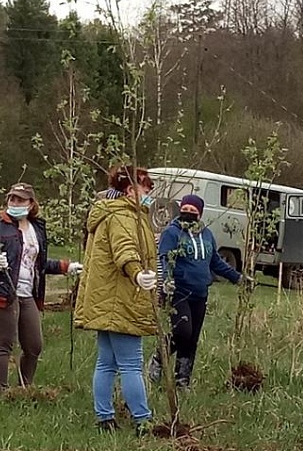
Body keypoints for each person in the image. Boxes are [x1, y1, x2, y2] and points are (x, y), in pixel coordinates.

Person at [73, 166, 158, 436]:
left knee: (106, 362)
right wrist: (138, 274)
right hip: (120, 300)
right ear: (131, 191)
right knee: (131, 363)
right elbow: (125, 250)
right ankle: (143, 420)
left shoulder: (111, 213)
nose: (150, 192)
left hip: (105, 299)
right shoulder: (123, 216)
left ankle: (105, 418)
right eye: (146, 187)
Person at [0, 182, 82, 390]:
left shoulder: (36, 228)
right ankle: (1, 393)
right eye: (11, 199)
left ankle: (25, 388)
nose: (14, 203)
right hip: (2, 293)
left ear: (31, 204)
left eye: (20, 199)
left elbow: (39, 264)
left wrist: (66, 266)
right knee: (4, 345)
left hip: (28, 294)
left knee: (34, 346)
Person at [147, 194, 246, 388]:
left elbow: (215, 262)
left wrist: (238, 278)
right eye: (186, 209)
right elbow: (165, 258)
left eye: (193, 211)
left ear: (200, 214)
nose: (189, 213)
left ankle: (182, 379)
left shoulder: (206, 234)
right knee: (183, 332)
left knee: (192, 339)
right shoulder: (172, 233)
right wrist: (167, 280)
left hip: (200, 294)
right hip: (178, 291)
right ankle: (159, 358)